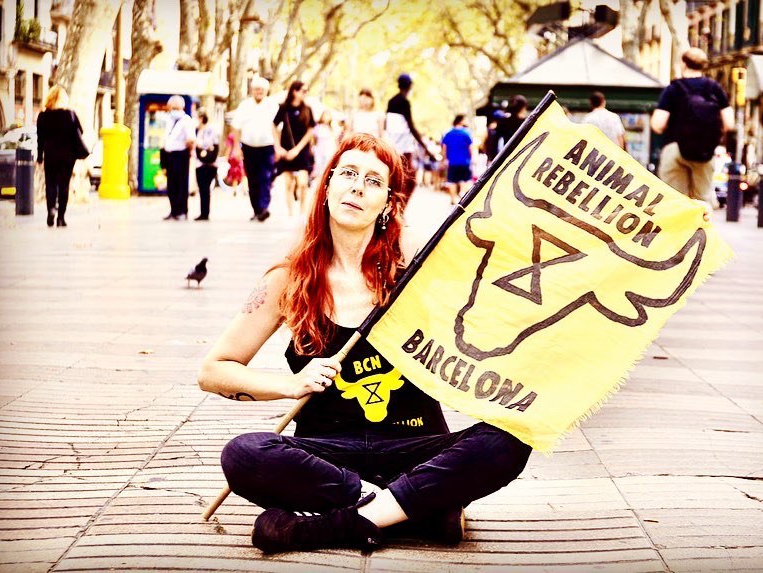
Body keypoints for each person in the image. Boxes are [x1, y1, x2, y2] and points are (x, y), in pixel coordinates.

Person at [198, 133, 532, 555]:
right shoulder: (288, 280)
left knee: (510, 437)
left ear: (388, 203)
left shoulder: (414, 269)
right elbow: (213, 371)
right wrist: (290, 384)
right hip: (328, 458)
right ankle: (416, 509)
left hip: (414, 448)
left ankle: (333, 526)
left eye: (374, 181)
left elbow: (496, 286)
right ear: (327, 187)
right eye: (349, 174)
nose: (358, 186)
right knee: (243, 454)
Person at [650, 48, 734, 204]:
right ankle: (700, 227)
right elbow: (729, 124)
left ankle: (676, 227)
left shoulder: (673, 89)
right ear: (703, 66)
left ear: (683, 63)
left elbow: (657, 124)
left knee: (673, 200)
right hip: (705, 151)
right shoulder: (715, 89)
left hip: (675, 148)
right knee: (702, 201)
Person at [231, 76, 282, 221]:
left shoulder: (273, 106)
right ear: (252, 90)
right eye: (256, 89)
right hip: (249, 147)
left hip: (267, 147)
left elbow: (278, 129)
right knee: (252, 180)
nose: (259, 92)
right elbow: (235, 127)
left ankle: (264, 207)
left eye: (262, 89)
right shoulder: (244, 106)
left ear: (266, 91)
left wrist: (278, 148)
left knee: (265, 178)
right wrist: (236, 147)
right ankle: (257, 209)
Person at [36, 85, 84, 227]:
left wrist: (39, 156)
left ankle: (51, 209)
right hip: (67, 157)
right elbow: (80, 131)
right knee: (64, 186)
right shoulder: (70, 114)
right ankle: (61, 218)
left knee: (50, 184)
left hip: (50, 155)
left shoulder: (43, 116)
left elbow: (40, 139)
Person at [384, 73, 432, 200]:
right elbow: (411, 127)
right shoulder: (404, 102)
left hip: (391, 147)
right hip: (403, 149)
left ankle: (395, 206)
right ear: (410, 85)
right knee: (410, 180)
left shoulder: (391, 101)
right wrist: (425, 147)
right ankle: (399, 209)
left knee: (395, 180)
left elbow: (387, 124)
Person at [275, 81, 316, 217]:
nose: (305, 93)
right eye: (303, 91)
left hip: (301, 150)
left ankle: (303, 211)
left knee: (303, 183)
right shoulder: (284, 108)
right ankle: (290, 212)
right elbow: (273, 125)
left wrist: (297, 149)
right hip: (286, 149)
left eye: (306, 91)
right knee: (289, 183)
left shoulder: (307, 109)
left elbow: (311, 130)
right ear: (294, 91)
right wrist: (278, 147)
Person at [162, 95, 196, 221]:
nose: (175, 109)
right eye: (173, 107)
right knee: (171, 185)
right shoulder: (168, 119)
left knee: (181, 183)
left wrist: (189, 151)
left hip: (181, 154)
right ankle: (173, 210)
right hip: (169, 154)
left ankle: (182, 211)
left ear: (182, 107)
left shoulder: (186, 120)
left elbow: (191, 139)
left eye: (177, 107)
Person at [441, 114, 474, 205]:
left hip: (452, 162)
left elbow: (444, 148)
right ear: (460, 121)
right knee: (465, 179)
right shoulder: (466, 133)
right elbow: (470, 147)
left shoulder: (448, 133)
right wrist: (472, 158)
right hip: (465, 161)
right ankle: (462, 196)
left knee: (452, 181)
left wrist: (444, 159)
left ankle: (453, 199)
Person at [194, 110, 220, 221]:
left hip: (209, 164)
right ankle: (203, 212)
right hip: (198, 163)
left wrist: (199, 144)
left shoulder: (209, 130)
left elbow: (208, 144)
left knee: (205, 188)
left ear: (201, 118)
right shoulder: (196, 131)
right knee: (202, 188)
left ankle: (205, 213)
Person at [311, 109, 338, 200]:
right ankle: (317, 186)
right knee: (318, 168)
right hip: (319, 150)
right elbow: (313, 139)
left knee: (326, 169)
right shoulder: (318, 127)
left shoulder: (331, 128)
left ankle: (323, 186)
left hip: (329, 151)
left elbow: (334, 141)